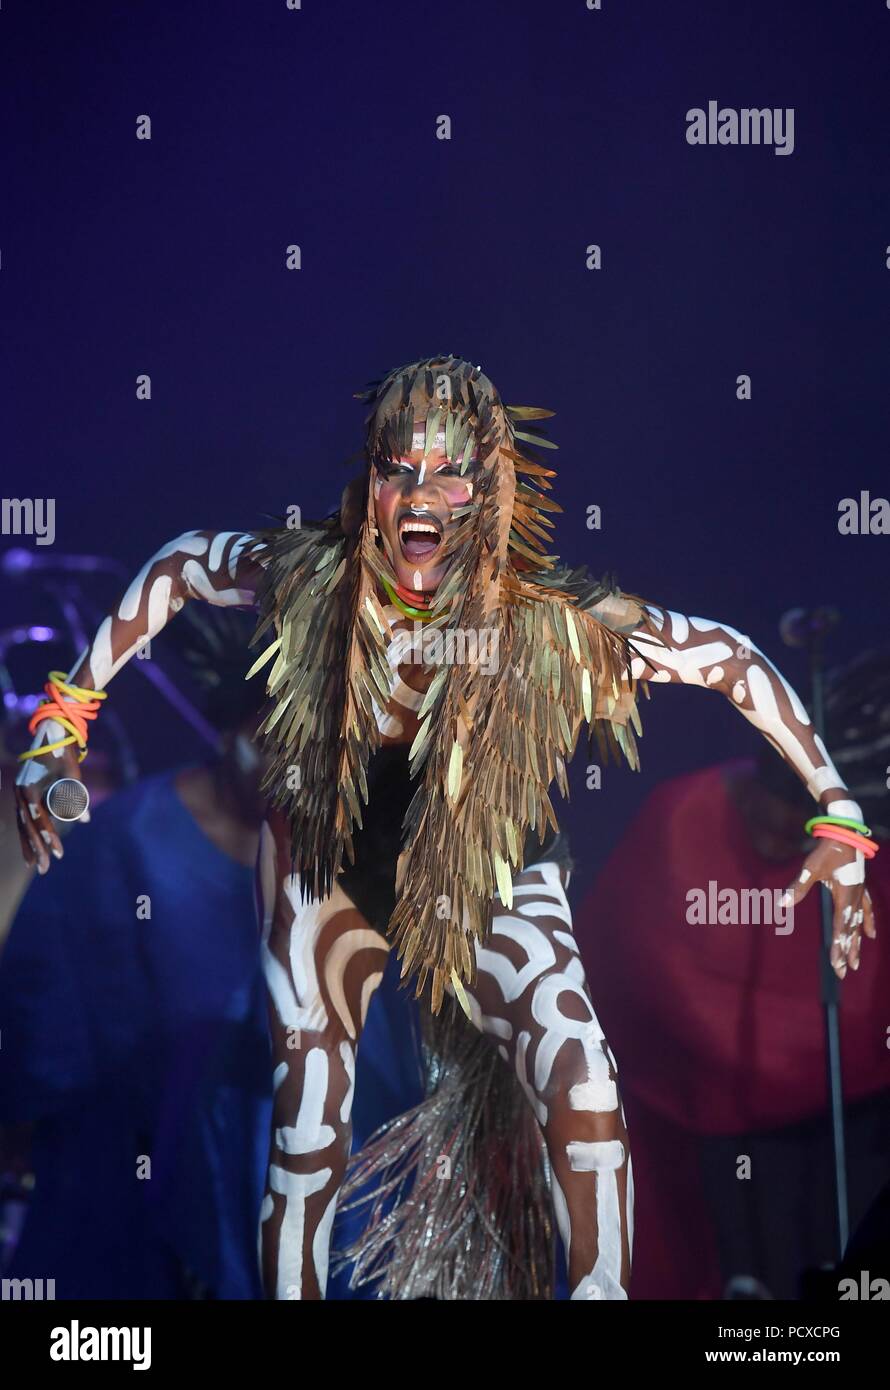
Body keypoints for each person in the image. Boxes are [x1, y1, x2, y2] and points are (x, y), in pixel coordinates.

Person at [13, 355, 877, 1301]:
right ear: (370, 481)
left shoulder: (550, 622)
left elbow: (727, 658)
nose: (419, 495)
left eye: (448, 474)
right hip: (331, 866)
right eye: (397, 470)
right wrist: (64, 721)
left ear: (489, 489)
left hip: (491, 873)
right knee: (307, 1122)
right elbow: (182, 564)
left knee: (585, 1087)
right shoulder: (310, 582)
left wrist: (837, 813)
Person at [1, 606, 422, 1298]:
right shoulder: (120, 854)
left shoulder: (368, 866)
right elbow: (35, 1067)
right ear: (235, 727)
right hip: (128, 1249)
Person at [576, 647, 890, 1299]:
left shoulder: (865, 861)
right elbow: (640, 974)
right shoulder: (680, 820)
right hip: (710, 1137)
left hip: (853, 1126)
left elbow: (866, 1002)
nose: (783, 833)